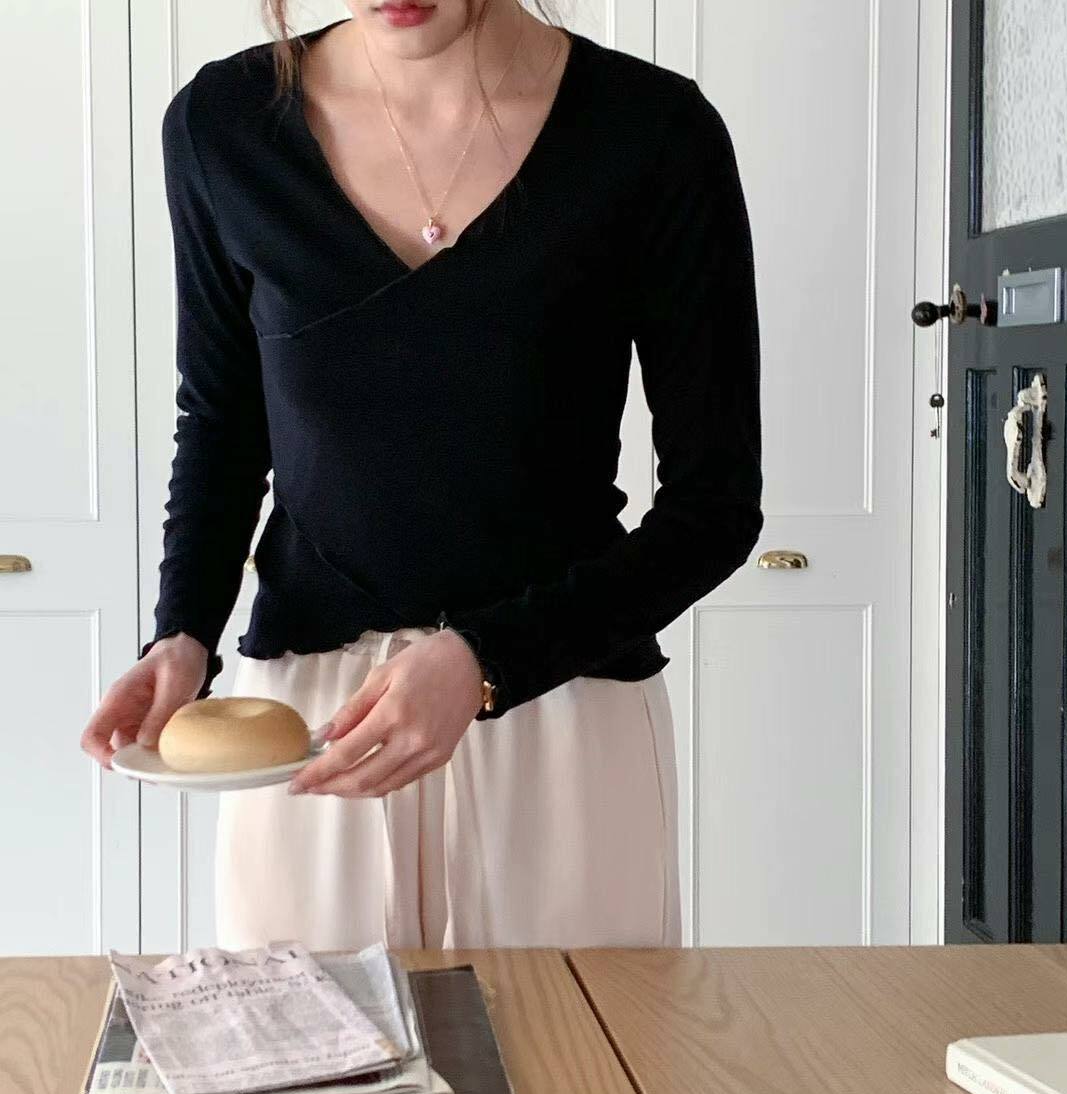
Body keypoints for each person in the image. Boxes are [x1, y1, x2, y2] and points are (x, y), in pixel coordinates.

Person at [81, 0, 762, 953]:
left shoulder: (655, 134)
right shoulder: (222, 127)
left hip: (563, 713)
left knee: (577, 1052)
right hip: (306, 729)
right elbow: (222, 426)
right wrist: (182, 635)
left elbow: (716, 505)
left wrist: (486, 661)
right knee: (306, 1049)